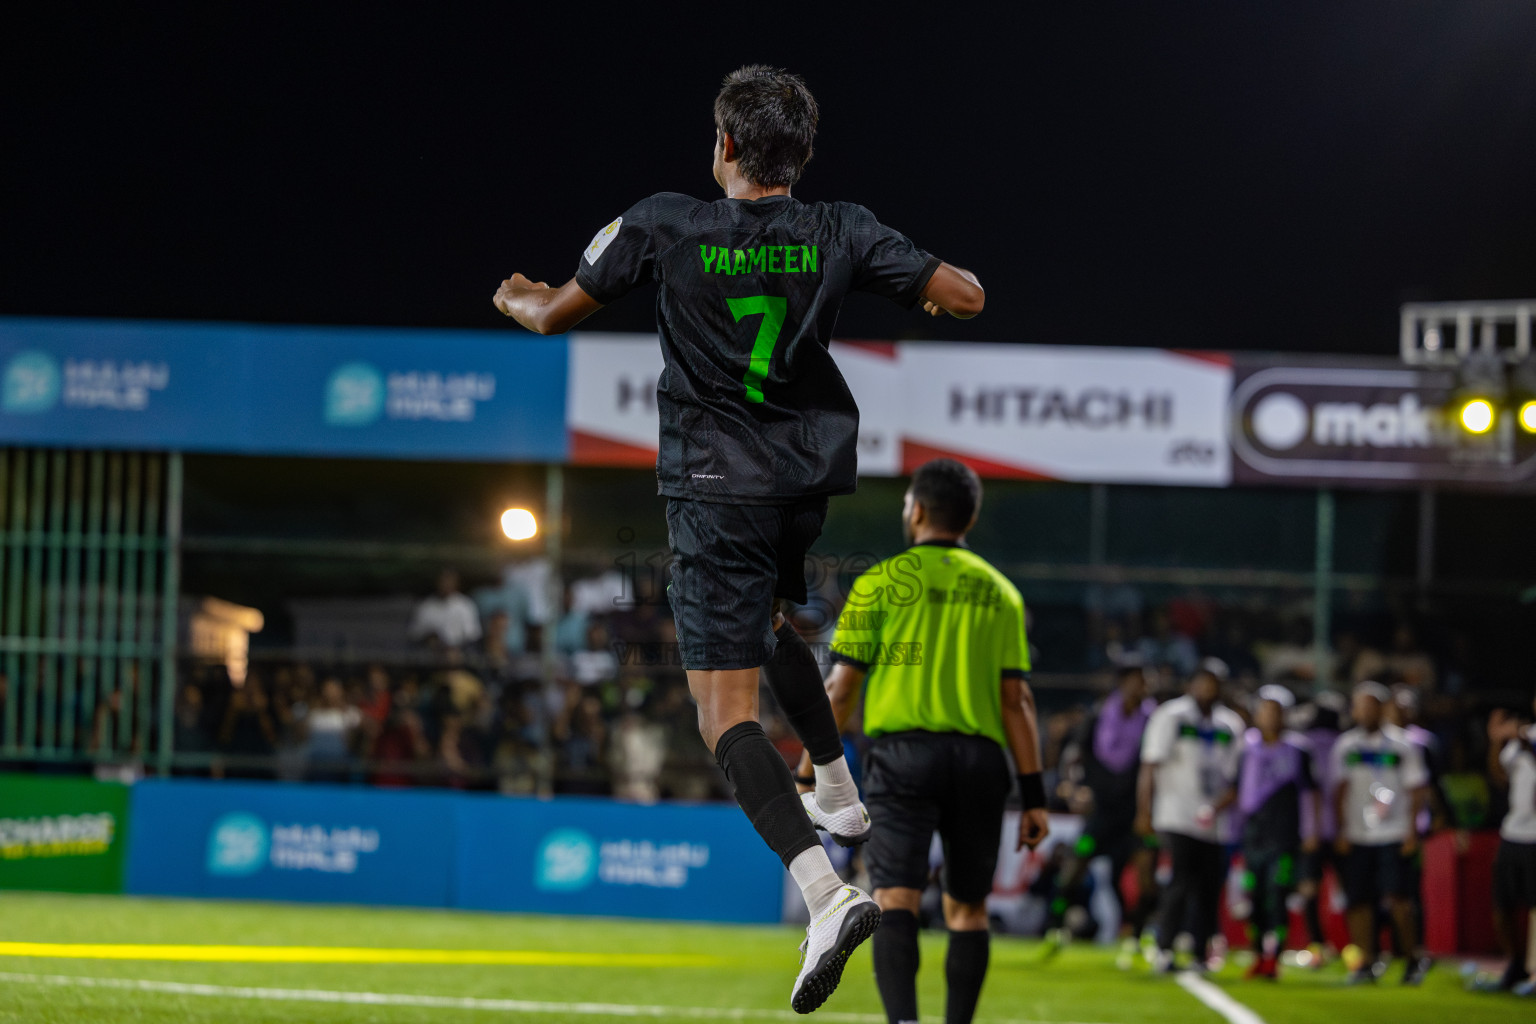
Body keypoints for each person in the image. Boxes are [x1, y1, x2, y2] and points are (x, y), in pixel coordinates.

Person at [491, 66, 986, 1013]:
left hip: (714, 492)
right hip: (800, 488)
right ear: (799, 157)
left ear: (723, 146)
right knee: (766, 632)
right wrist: (922, 286)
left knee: (724, 718)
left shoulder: (665, 223)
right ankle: (838, 789)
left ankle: (825, 894)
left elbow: (554, 313)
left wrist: (517, 297)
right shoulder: (841, 228)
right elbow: (963, 296)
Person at [795, 459, 1048, 1024]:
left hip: (902, 759)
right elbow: (1017, 702)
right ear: (971, 516)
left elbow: (839, 692)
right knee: (967, 910)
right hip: (980, 762)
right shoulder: (1000, 592)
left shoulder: (883, 582)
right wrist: (1034, 795)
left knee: (896, 898)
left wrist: (808, 771)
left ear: (919, 510)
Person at [1048, 654, 1159, 965]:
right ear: (1123, 683)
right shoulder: (1099, 717)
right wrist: (1072, 787)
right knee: (1073, 870)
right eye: (1137, 679)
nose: (1143, 685)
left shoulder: (1154, 720)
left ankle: (1137, 936)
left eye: (1145, 679)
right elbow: (1073, 756)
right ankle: (1055, 929)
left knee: (1144, 877)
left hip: (1136, 815)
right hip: (1100, 812)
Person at [1137, 658, 1244, 973]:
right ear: (1191, 684)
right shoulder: (1171, 715)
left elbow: (1236, 778)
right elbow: (1150, 765)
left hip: (1215, 821)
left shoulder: (1230, 724)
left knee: (1209, 887)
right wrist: (1145, 810)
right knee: (1179, 883)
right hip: (1175, 814)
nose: (1208, 688)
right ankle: (1165, 948)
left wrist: (1219, 807)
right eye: (1203, 681)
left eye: (1214, 682)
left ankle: (1200, 951)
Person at [1331, 681, 1432, 985]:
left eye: (1371, 705)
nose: (1365, 711)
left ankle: (1413, 957)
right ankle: (1366, 962)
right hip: (1358, 833)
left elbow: (1417, 789)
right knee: (1358, 900)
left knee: (1399, 899)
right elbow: (1339, 791)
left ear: (1384, 708)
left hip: (1394, 830)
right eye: (1360, 705)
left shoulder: (1403, 744)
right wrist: (1342, 830)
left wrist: (1413, 830)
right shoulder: (1346, 746)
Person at [1236, 685, 1318, 980]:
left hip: (1284, 837)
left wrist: (1311, 831)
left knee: (1277, 894)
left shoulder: (1298, 749)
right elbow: (1239, 792)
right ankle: (1258, 953)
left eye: (1276, 711)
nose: (1270, 716)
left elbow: (1311, 794)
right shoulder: (1247, 747)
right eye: (1265, 710)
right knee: (1253, 897)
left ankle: (1275, 955)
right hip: (1253, 836)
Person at [1487, 698, 1536, 993]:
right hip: (1513, 831)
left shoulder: (1526, 738)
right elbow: (1500, 776)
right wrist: (1496, 743)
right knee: (1500, 905)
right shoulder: (1524, 736)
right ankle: (1515, 963)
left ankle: (1533, 971)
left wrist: (1521, 739)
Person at [410, 569, 483, 653]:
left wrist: (453, 646)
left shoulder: (465, 605)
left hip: (457, 653)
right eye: (443, 581)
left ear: (456, 583)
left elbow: (472, 636)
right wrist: (428, 636)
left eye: (449, 581)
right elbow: (415, 634)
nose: (446, 584)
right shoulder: (426, 606)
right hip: (429, 655)